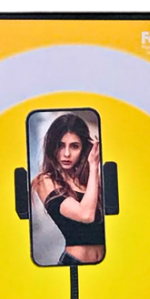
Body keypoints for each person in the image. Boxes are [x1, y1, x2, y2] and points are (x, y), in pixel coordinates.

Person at [31, 112, 105, 265]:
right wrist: (93, 165)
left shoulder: (88, 179)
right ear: (52, 146)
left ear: (84, 148)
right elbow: (86, 215)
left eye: (74, 146)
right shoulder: (45, 181)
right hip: (74, 264)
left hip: (105, 266)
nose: (66, 154)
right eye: (60, 145)